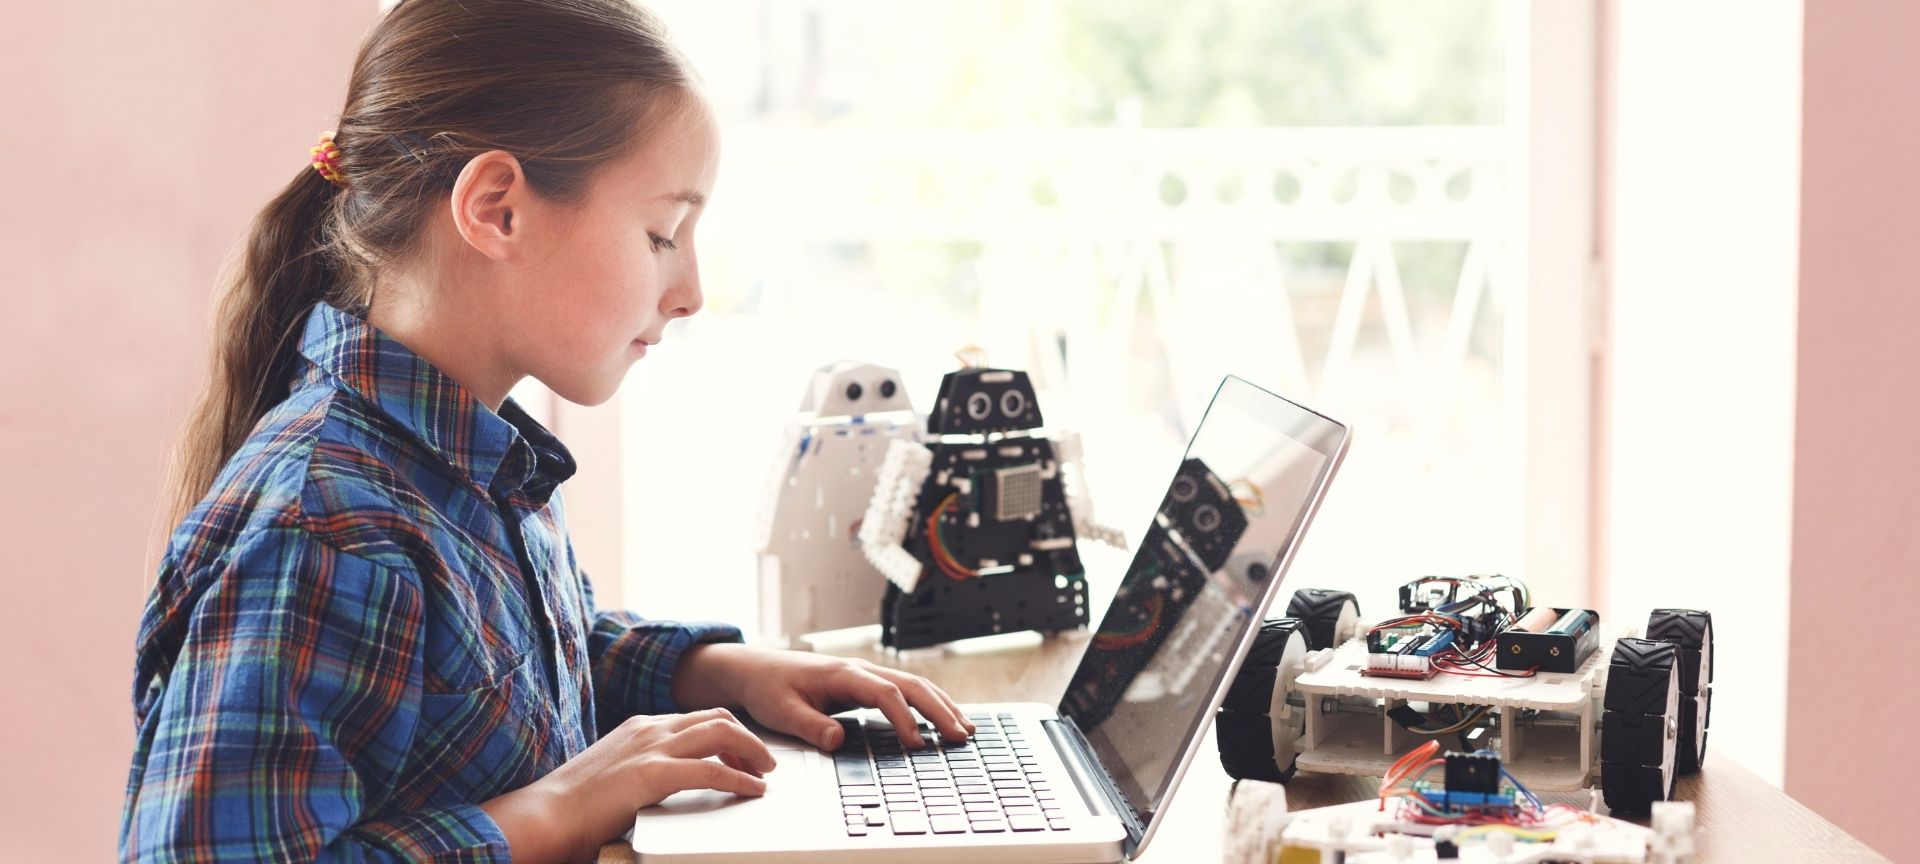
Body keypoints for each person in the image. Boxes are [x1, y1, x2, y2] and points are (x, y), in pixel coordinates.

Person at [119, 2, 972, 861]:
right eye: (662, 235)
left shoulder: (471, 459)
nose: (692, 292)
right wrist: (559, 808)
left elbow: (500, 685)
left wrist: (714, 673)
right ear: (496, 209)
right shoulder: (325, 530)